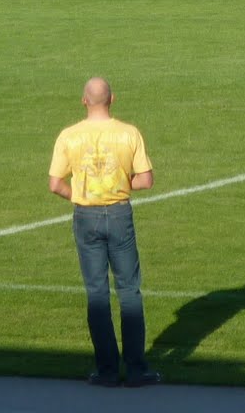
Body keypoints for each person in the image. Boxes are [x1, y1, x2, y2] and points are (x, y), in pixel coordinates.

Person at [47, 76, 158, 388]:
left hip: (86, 216)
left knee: (97, 292)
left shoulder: (69, 136)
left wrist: (81, 194)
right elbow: (146, 180)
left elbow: (55, 184)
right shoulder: (128, 133)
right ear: (112, 99)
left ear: (84, 100)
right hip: (119, 214)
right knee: (129, 291)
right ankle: (135, 369)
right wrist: (120, 183)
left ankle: (107, 370)